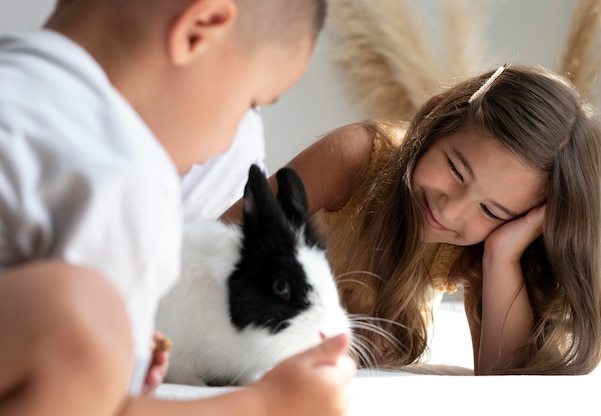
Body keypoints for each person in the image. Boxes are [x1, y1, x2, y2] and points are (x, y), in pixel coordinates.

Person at [0, 0, 355, 415]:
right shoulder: (126, 171)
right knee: (87, 318)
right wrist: (266, 403)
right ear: (197, 32)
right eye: (249, 104)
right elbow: (101, 404)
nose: (229, 144)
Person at [224, 64, 601, 375]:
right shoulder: (358, 157)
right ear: (437, 118)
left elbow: (501, 377)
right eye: (457, 171)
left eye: (492, 210)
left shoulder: (478, 244)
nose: (450, 210)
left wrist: (501, 254)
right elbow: (220, 238)